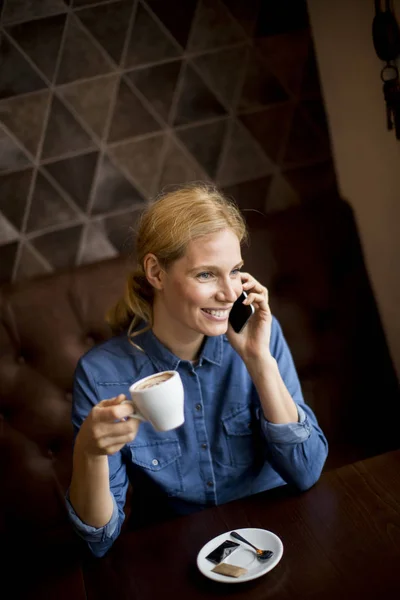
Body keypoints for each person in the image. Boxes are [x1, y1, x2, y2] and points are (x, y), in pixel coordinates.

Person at [66, 183, 328, 558]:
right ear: (156, 272)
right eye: (206, 274)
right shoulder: (101, 374)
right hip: (178, 556)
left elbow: (306, 472)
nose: (228, 293)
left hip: (275, 539)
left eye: (235, 270)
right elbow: (97, 542)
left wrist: (258, 360)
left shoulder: (258, 335)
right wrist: (88, 454)